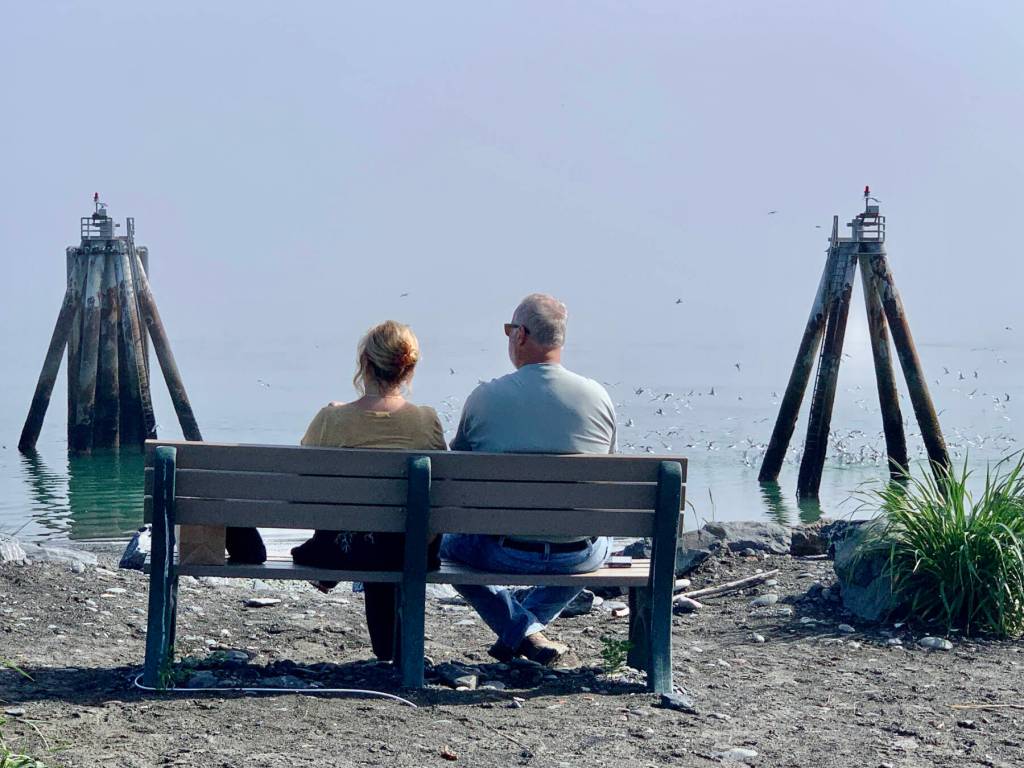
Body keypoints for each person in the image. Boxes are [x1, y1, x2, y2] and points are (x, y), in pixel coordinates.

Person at [442, 293, 617, 666]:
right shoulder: (598, 397)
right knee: (606, 541)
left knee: (446, 550)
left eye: (508, 330)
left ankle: (520, 629)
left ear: (520, 335)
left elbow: (455, 477)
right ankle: (526, 628)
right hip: (578, 553)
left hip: (503, 550)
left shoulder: (485, 398)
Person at [290, 320, 447, 662]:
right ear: (409, 370)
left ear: (364, 363)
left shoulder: (331, 419)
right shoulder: (427, 420)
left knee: (364, 529)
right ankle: (393, 654)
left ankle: (387, 651)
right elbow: (442, 497)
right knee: (395, 530)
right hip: (408, 551)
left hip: (345, 549)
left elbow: (302, 483)